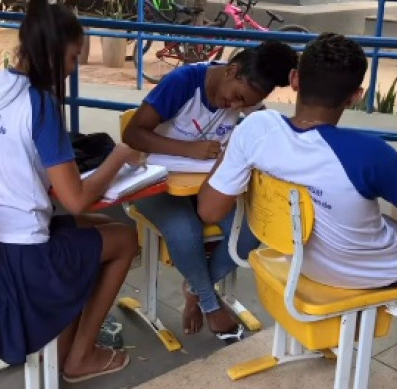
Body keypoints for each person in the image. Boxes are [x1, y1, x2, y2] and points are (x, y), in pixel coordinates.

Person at [0, 1, 142, 383]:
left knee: (89, 226)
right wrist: (117, 158)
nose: (73, 67)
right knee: (125, 238)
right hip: (23, 261)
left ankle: (63, 344)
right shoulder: (40, 104)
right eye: (73, 56)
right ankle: (80, 356)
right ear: (52, 51)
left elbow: (16, 163)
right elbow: (75, 198)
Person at [197, 33, 397, 300]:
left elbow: (209, 210)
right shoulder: (370, 154)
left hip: (299, 260)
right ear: (355, 96)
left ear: (294, 80)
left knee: (379, 221)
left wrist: (233, 151)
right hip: (374, 270)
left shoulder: (255, 129)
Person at [123, 41, 299, 336]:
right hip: (154, 181)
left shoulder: (249, 95)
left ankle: (195, 288)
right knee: (185, 229)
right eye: (236, 97)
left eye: (245, 104)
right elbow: (133, 133)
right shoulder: (183, 83)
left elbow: (264, 134)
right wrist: (188, 149)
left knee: (251, 230)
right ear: (232, 71)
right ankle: (210, 303)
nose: (235, 107)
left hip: (203, 186)